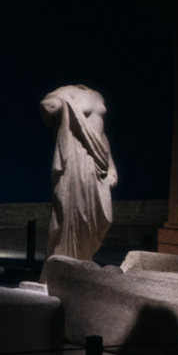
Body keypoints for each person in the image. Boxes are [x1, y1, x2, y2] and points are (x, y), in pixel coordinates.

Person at [41, 84, 116, 267]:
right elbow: (48, 108)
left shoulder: (97, 95)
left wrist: (111, 165)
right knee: (70, 212)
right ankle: (62, 266)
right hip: (74, 159)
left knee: (99, 216)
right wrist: (57, 104)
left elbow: (102, 135)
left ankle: (84, 261)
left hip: (97, 161)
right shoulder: (64, 93)